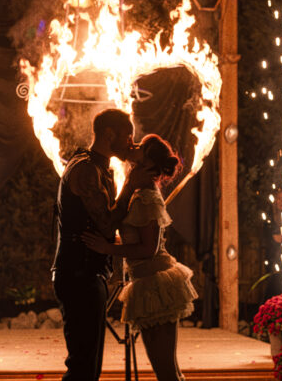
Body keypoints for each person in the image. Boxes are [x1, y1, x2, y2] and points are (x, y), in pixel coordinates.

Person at [82, 134, 198, 381]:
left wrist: (107, 248)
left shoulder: (147, 197)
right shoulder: (139, 191)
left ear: (148, 162)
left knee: (166, 370)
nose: (133, 145)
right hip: (147, 282)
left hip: (156, 284)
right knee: (165, 369)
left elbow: (148, 249)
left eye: (141, 147)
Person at [51, 108, 152, 381]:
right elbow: (106, 224)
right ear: (110, 134)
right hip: (78, 275)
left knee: (89, 366)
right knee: (82, 367)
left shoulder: (96, 167)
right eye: (127, 137)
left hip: (87, 273)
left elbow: (104, 228)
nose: (131, 144)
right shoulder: (85, 169)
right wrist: (130, 185)